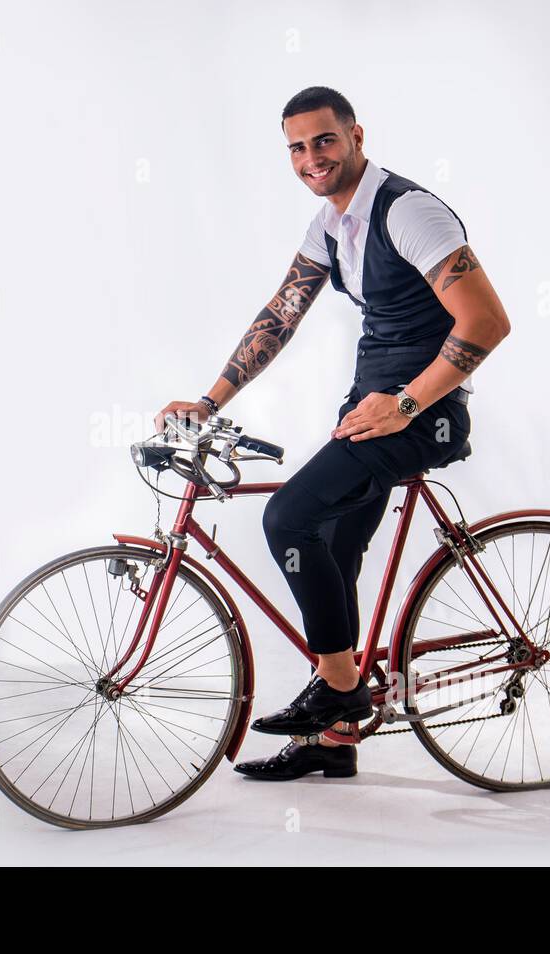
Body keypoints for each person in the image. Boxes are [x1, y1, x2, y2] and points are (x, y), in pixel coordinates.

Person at [152, 86, 511, 781]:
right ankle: (335, 739)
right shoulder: (331, 222)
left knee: (289, 517)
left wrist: (404, 406)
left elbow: (486, 322)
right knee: (334, 556)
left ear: (355, 136)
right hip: (371, 408)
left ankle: (342, 689)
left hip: (421, 415)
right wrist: (208, 400)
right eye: (297, 146)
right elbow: (282, 315)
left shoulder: (407, 211)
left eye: (324, 140)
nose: (311, 157)